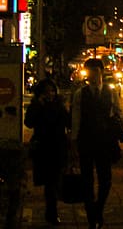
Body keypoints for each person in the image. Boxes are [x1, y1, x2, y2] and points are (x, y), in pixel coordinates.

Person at [71, 58, 122, 229]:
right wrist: (74, 142)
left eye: (96, 71)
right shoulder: (80, 93)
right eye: (90, 72)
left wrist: (116, 128)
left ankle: (97, 209)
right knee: (87, 180)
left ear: (102, 72)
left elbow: (118, 113)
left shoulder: (111, 91)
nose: (92, 75)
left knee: (105, 180)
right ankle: (92, 216)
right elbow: (76, 118)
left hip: (105, 141)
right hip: (86, 141)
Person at [24, 78, 70, 226]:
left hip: (58, 147)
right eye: (46, 91)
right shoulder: (37, 105)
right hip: (43, 147)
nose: (50, 94)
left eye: (52, 91)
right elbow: (29, 123)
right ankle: (51, 212)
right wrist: (38, 105)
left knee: (54, 182)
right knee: (50, 182)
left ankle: (51, 212)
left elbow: (68, 122)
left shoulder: (59, 105)